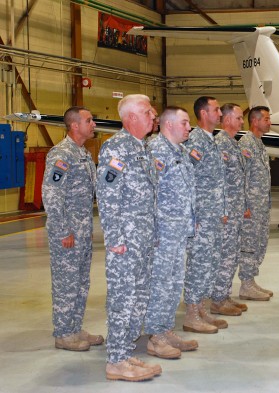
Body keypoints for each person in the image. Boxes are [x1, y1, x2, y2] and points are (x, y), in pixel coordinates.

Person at [97, 94, 161, 381]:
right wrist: (115, 239)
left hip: (143, 239)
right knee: (123, 298)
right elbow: (108, 197)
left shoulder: (142, 148)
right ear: (131, 118)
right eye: (148, 112)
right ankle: (115, 361)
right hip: (126, 241)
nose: (154, 115)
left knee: (138, 297)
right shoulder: (115, 148)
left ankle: (125, 352)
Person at [42, 106, 103, 351]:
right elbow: (52, 195)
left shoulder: (84, 154)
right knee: (66, 283)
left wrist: (84, 228)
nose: (94, 124)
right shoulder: (62, 154)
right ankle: (64, 333)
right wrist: (63, 230)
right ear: (75, 125)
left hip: (82, 231)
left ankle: (76, 328)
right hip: (66, 233)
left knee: (80, 282)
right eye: (89, 120)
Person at [145, 107, 200, 359]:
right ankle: (156, 337)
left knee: (173, 283)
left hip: (178, 232)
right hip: (162, 233)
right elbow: (148, 195)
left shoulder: (179, 151)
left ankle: (166, 330)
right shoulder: (155, 151)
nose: (189, 127)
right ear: (168, 125)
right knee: (160, 284)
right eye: (185, 122)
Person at [183, 96, 229, 329]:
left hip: (213, 216)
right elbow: (187, 180)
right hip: (201, 217)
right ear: (203, 114)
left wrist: (221, 210)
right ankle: (191, 314)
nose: (220, 114)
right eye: (216, 109)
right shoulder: (195, 141)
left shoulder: (212, 141)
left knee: (209, 263)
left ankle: (201, 307)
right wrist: (193, 217)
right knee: (198, 263)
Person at [210, 103, 249, 316]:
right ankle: (217, 299)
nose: (242, 122)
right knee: (224, 255)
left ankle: (224, 295)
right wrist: (223, 210)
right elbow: (219, 181)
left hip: (235, 211)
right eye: (239, 118)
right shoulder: (220, 144)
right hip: (226, 213)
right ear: (226, 120)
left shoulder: (232, 144)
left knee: (232, 255)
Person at [238, 106, 273, 301]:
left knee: (259, 243)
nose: (269, 122)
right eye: (266, 119)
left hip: (261, 205)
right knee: (249, 245)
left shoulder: (259, 144)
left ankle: (251, 281)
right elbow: (241, 177)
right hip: (251, 207)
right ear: (255, 121)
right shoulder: (246, 144)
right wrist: (245, 207)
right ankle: (245, 285)